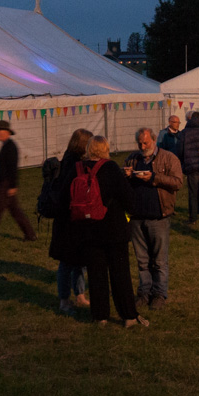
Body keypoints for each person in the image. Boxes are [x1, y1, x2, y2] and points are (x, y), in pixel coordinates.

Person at [68, 135, 144, 327]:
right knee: (120, 273)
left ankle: (99, 315)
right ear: (105, 149)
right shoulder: (110, 168)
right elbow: (128, 198)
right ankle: (128, 315)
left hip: (88, 229)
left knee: (96, 274)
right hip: (113, 228)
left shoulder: (78, 168)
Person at [122, 126, 183, 308]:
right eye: (140, 143)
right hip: (136, 217)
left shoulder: (168, 158)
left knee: (159, 260)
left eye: (145, 142)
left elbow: (178, 182)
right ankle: (144, 292)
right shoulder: (132, 159)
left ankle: (159, 294)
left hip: (159, 216)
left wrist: (154, 177)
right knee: (142, 260)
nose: (142, 146)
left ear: (154, 140)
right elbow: (123, 185)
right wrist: (125, 176)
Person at [47, 128, 93, 314]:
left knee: (79, 260)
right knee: (67, 262)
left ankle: (80, 295)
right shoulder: (72, 164)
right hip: (68, 220)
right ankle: (64, 300)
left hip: (73, 219)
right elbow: (67, 194)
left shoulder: (71, 161)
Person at [0, 120, 36, 244]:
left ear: (7, 132)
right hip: (5, 184)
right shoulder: (6, 146)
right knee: (16, 211)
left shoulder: (10, 147)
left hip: (6, 184)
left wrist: (13, 185)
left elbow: (12, 168)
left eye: (0, 131)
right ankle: (30, 234)